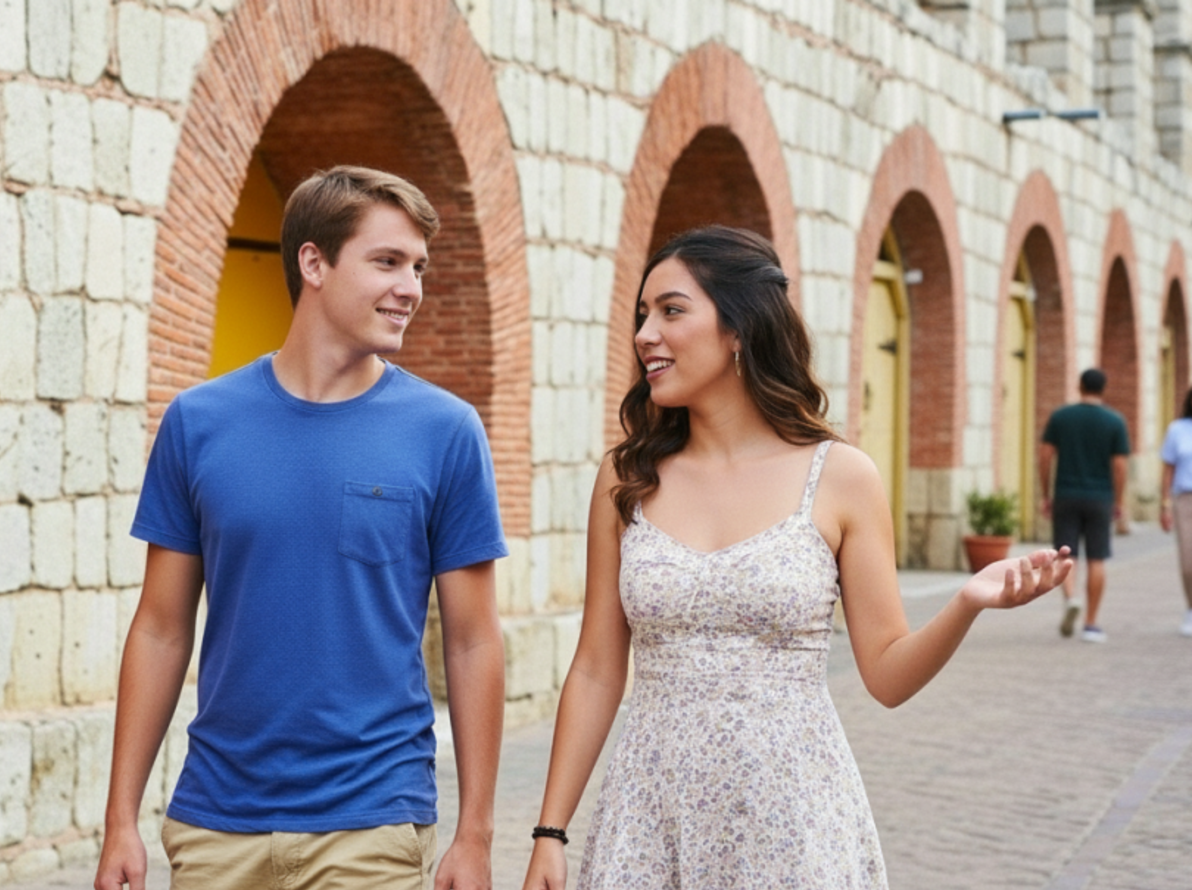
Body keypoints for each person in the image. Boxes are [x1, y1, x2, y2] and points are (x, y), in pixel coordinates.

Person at [519, 226, 1072, 890]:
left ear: (738, 329)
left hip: (794, 821)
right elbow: (597, 671)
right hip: (648, 817)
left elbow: (888, 677)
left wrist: (967, 602)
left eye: (670, 310)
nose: (644, 334)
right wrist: (550, 831)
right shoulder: (626, 475)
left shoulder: (842, 477)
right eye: (642, 315)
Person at [94, 166, 508, 890]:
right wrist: (119, 820)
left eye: (418, 267)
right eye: (387, 262)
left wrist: (475, 835)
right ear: (313, 262)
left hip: (372, 823)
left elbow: (474, 640)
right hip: (216, 825)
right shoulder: (199, 423)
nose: (411, 287)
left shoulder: (446, 432)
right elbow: (161, 626)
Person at [1038, 368, 1130, 643]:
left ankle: (1071, 598)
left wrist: (1046, 493)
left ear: (1079, 386)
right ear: (1104, 389)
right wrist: (1119, 500)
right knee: (1097, 558)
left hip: (1066, 493)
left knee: (1066, 554)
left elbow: (1045, 455)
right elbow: (1120, 465)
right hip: (1100, 497)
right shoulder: (1115, 421)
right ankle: (1091, 623)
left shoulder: (1061, 417)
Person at [1157, 387, 1192, 637]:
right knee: (1189, 561)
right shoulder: (1178, 429)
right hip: (1185, 500)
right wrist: (1164, 504)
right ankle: (1191, 608)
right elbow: (1168, 468)